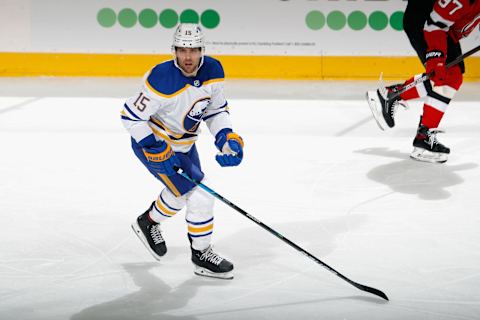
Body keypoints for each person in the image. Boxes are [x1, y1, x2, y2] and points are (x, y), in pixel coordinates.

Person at [120, 23, 244, 279]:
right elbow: (130, 117)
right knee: (201, 193)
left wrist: (225, 138)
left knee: (180, 193)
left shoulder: (214, 70)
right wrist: (153, 146)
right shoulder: (160, 78)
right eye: (182, 50)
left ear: (202, 50)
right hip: (156, 145)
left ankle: (148, 222)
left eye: (194, 50)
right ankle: (201, 254)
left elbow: (215, 110)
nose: (188, 57)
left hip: (185, 144)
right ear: (174, 50)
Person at [367, 0, 479, 163]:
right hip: (426, 23)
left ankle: (393, 97)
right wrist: (436, 56)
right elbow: (435, 23)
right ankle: (423, 137)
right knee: (446, 75)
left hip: (443, 27)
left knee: (451, 76)